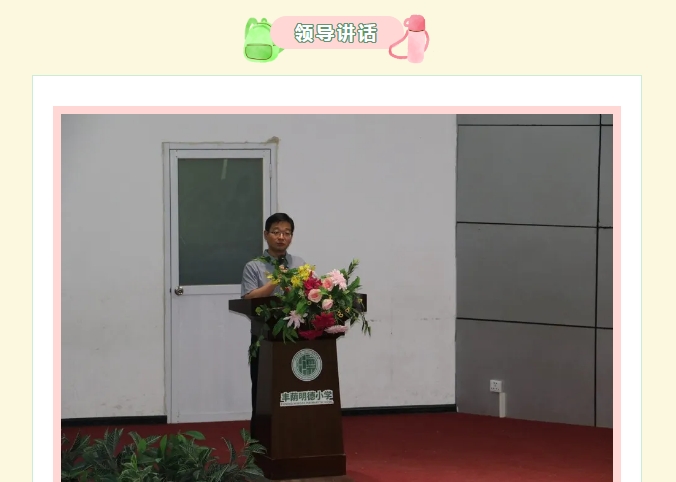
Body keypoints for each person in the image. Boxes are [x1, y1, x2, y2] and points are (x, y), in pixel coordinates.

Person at [240, 213, 306, 434]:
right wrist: (276, 281)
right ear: (266, 235)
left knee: (293, 390)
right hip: (264, 338)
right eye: (276, 232)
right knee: (263, 392)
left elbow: (308, 294)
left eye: (287, 233)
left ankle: (292, 436)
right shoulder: (254, 266)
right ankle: (259, 441)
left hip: (296, 337)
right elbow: (249, 298)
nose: (281, 237)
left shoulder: (299, 264)